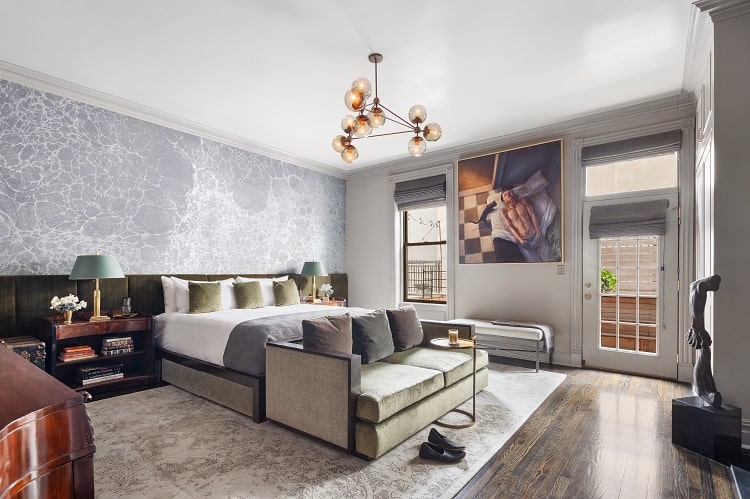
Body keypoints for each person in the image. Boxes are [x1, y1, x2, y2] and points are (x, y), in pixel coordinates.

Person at [685, 274, 722, 408]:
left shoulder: (696, 287)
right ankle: (704, 391)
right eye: (713, 286)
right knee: (705, 354)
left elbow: (696, 315)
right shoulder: (698, 288)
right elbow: (696, 316)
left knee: (705, 355)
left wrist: (698, 329)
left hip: (698, 329)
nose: (715, 289)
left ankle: (708, 390)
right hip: (697, 330)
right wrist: (696, 331)